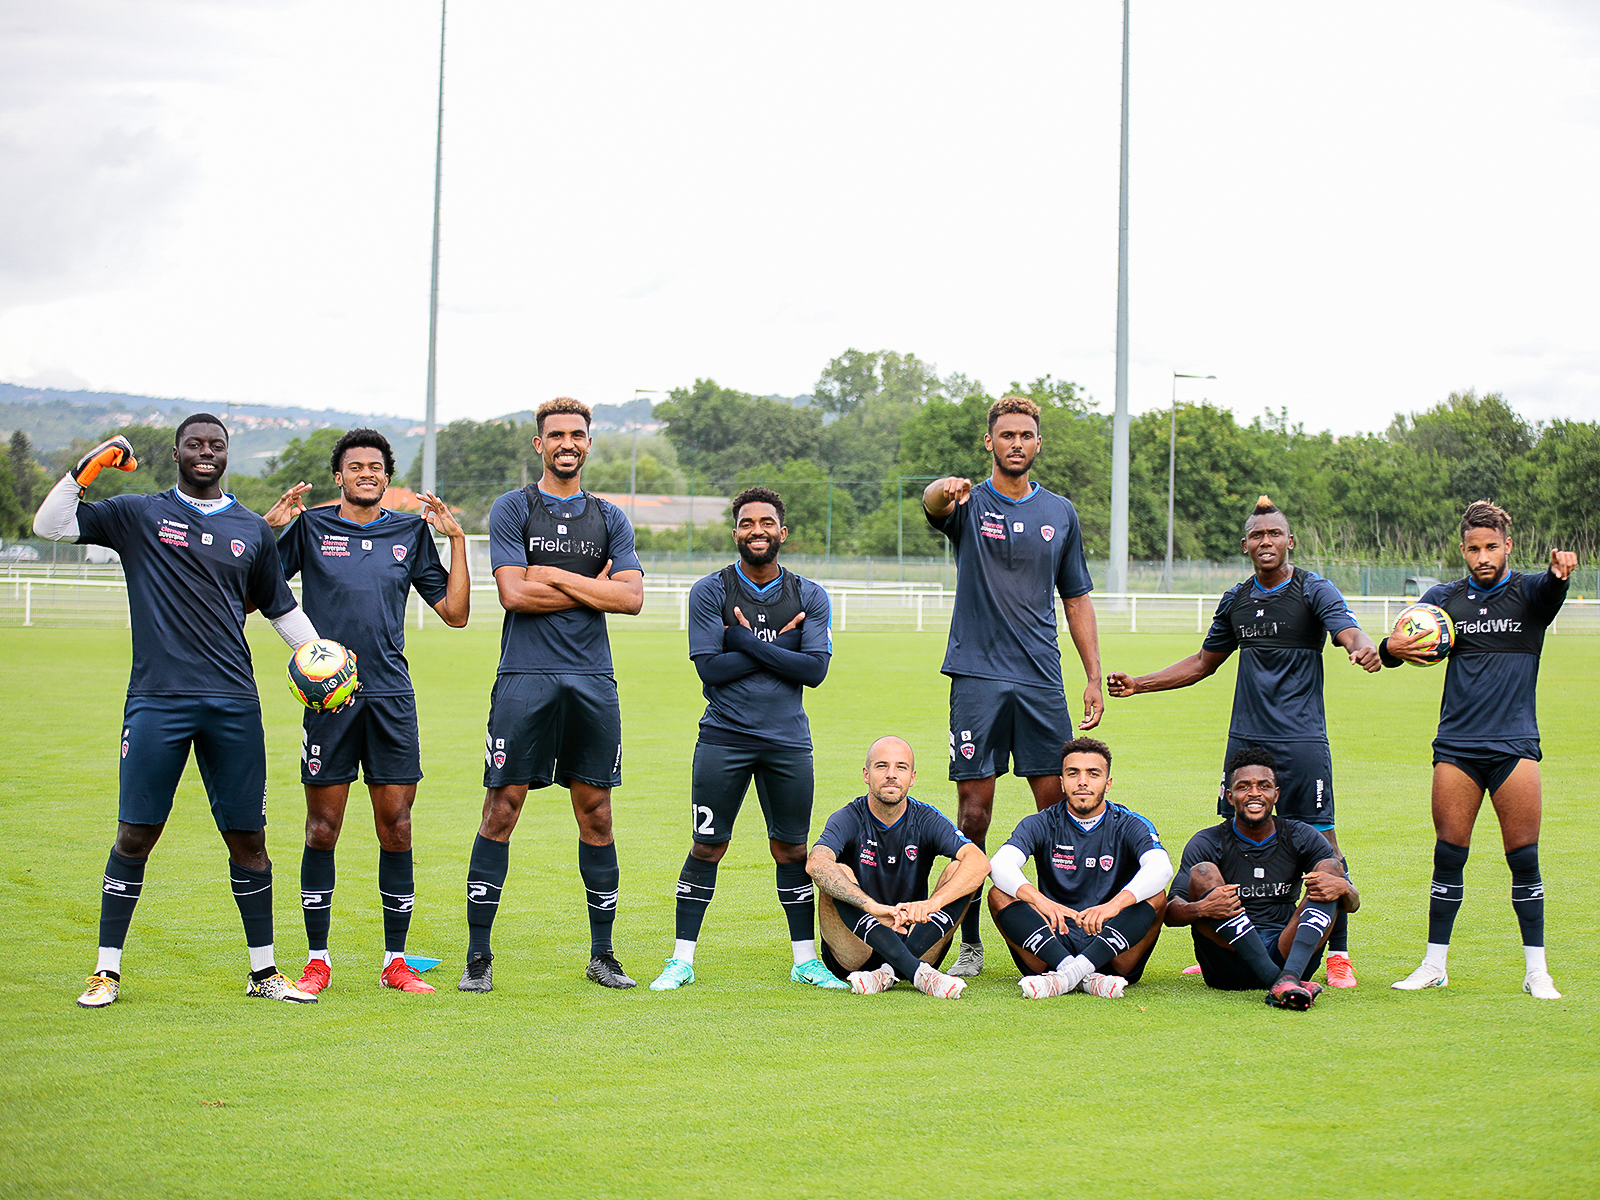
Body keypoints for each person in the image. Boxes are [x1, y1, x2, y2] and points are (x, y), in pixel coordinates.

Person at [34, 418, 323, 1007]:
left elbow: (280, 610)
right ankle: (106, 970)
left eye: (216, 445)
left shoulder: (251, 530)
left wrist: (322, 657)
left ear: (226, 454)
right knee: (135, 834)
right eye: (196, 444)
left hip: (233, 704)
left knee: (249, 839)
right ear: (177, 453)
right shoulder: (138, 514)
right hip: (157, 701)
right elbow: (52, 524)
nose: (206, 454)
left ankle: (264, 973)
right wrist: (88, 468)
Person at [1107, 496, 1377, 988]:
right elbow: (1203, 663)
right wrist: (1140, 683)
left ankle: (1338, 955)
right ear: (1245, 545)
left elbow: (1347, 630)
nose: (1266, 542)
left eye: (1274, 534)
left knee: (1326, 846)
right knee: (1230, 843)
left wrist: (1361, 650)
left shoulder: (1313, 589)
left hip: (1301, 744)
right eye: (1257, 536)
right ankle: (1231, 937)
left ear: (1289, 541)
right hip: (1245, 743)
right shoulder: (1236, 600)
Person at [263, 429, 470, 997]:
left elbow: (454, 613)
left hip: (391, 699)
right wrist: (270, 528)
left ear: (387, 476)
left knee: (397, 827)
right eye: (356, 466)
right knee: (322, 829)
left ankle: (395, 961)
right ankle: (317, 961)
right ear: (339, 476)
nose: (367, 474)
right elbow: (255, 589)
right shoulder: (310, 526)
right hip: (330, 699)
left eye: (376, 467)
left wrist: (457, 543)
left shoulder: (408, 531)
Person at [460, 397, 644, 992]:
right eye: (556, 434)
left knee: (597, 812)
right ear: (538, 444)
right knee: (502, 806)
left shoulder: (611, 516)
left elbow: (632, 599)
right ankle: (479, 957)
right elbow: (513, 595)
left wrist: (555, 576)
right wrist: (596, 586)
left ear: (589, 444)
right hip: (525, 676)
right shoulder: (513, 508)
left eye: (578, 435)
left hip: (593, 680)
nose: (568, 443)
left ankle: (603, 953)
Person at [921, 393, 1102, 977]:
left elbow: (1076, 598)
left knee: (1058, 810)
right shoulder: (969, 503)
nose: (1016, 443)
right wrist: (941, 489)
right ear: (989, 442)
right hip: (977, 676)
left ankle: (1067, 928)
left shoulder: (1061, 513)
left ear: (1038, 443)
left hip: (1042, 681)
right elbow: (930, 507)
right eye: (1006, 435)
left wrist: (1092, 674)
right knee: (974, 813)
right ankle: (968, 936)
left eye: (1026, 435)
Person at [649, 487, 845, 991]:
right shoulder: (710, 591)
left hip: (786, 743)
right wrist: (782, 645)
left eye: (766, 522)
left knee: (791, 850)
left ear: (783, 532)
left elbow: (815, 671)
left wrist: (743, 640)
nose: (756, 530)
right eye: (746, 523)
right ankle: (682, 961)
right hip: (723, 740)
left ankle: (806, 961)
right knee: (707, 847)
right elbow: (711, 672)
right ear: (735, 532)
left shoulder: (810, 595)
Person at [1384, 501, 1575, 1000]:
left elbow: (1552, 594)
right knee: (1448, 855)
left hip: (1515, 747)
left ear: (1508, 546)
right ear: (1463, 550)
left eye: (1492, 547)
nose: (1483, 556)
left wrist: (1559, 575)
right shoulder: (1443, 600)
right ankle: (1433, 964)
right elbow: (1401, 647)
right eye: (1474, 548)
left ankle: (1537, 972)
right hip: (1456, 748)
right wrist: (1388, 649)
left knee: (1524, 859)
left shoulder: (1530, 592)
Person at [1165, 746, 1359, 1010]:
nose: (1254, 793)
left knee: (1331, 871)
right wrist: (1201, 908)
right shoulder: (1208, 841)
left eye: (1264, 786)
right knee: (1203, 873)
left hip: (1289, 953)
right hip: (1228, 963)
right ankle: (1281, 981)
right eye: (1244, 786)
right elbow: (1170, 913)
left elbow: (1352, 903)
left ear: (1275, 794)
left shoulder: (1301, 836)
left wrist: (1344, 888)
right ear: (1230, 796)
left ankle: (1285, 977)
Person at [987, 737, 1172, 999]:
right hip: (1054, 937)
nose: (1082, 781)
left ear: (1107, 783)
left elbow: (1161, 868)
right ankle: (1080, 974)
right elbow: (999, 864)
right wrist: (1042, 902)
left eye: (1093, 774)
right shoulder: (1041, 822)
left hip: (1113, 941)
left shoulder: (1130, 823)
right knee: (999, 893)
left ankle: (1067, 976)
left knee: (1156, 895)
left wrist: (1113, 906)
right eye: (1073, 773)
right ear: (1062, 782)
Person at [805, 737, 990, 999]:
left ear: (912, 777)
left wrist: (931, 904)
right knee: (837, 874)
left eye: (901, 767)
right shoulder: (847, 817)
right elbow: (816, 862)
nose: (891, 775)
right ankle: (917, 973)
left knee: (961, 869)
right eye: (882, 766)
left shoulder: (926, 818)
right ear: (866, 775)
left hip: (916, 938)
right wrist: (871, 907)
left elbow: (979, 862)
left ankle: (889, 973)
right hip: (856, 949)